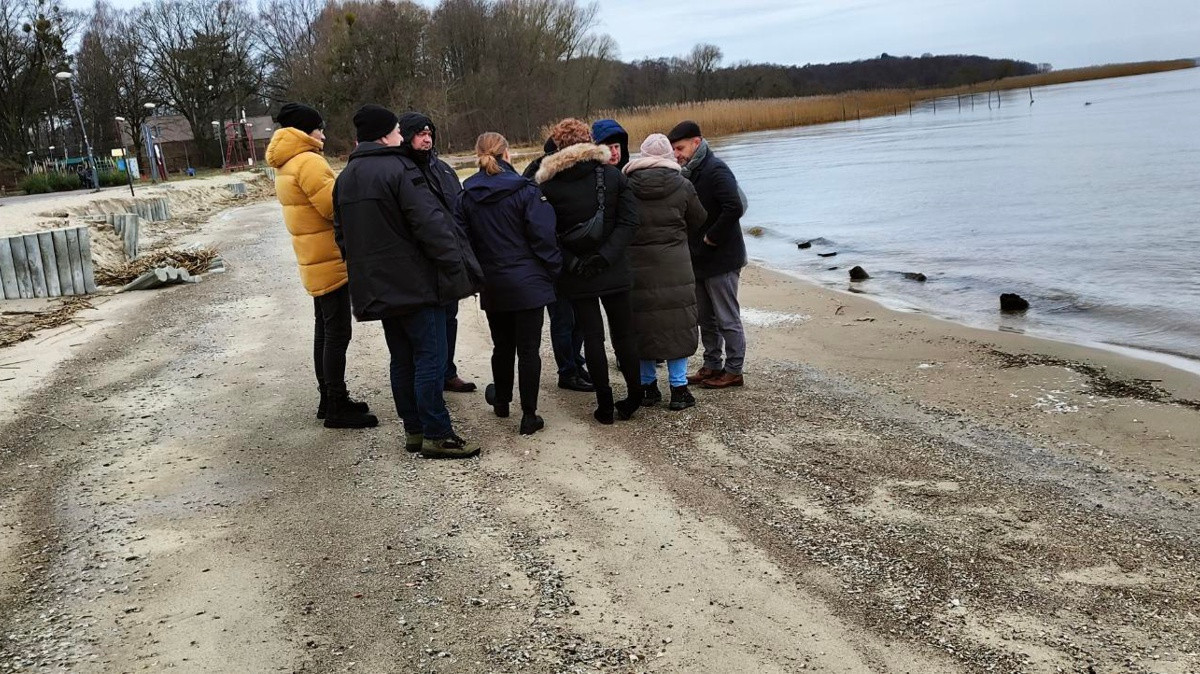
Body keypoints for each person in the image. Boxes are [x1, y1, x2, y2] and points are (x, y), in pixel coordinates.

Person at [333, 104, 482, 459]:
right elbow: (430, 224)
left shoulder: (345, 177)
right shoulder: (400, 169)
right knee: (430, 358)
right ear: (386, 135)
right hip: (416, 284)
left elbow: (342, 235)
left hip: (379, 287)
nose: (402, 136)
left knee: (401, 359)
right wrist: (454, 267)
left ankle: (414, 430)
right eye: (398, 131)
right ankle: (436, 432)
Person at [266, 102, 377, 429]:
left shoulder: (286, 162)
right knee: (337, 332)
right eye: (319, 128)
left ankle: (328, 398)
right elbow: (334, 206)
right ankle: (336, 404)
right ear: (305, 131)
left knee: (324, 330)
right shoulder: (308, 161)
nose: (323, 134)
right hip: (329, 258)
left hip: (313, 258)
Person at [535, 118, 642, 424]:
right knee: (624, 334)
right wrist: (606, 257)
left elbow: (547, 234)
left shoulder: (548, 186)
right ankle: (634, 396)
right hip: (614, 268)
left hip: (577, 273)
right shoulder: (612, 175)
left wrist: (573, 262)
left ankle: (605, 404)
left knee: (592, 336)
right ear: (588, 141)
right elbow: (630, 222)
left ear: (558, 146)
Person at [455, 132, 562, 435]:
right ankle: (529, 415)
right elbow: (543, 235)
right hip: (527, 281)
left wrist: (476, 275)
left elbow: (461, 240)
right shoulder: (526, 191)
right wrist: (552, 271)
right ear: (508, 154)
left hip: (493, 281)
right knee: (528, 349)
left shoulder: (466, 196)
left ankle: (502, 401)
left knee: (502, 346)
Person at [623, 133, 707, 410]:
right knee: (678, 323)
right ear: (669, 156)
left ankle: (648, 387)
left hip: (637, 266)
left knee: (642, 325)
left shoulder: (626, 186)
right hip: (675, 265)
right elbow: (699, 219)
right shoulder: (683, 185)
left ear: (642, 155)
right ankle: (679, 388)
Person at [397, 111, 477, 395]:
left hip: (451, 257)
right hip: (421, 261)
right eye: (420, 134)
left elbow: (460, 207)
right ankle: (428, 377)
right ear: (407, 137)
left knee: (449, 318)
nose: (427, 139)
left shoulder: (442, 168)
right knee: (426, 328)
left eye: (429, 133)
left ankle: (447, 371)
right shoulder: (402, 170)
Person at [668, 120, 747, 389]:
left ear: (696, 143)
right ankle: (712, 364)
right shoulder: (687, 172)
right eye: (673, 150)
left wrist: (711, 237)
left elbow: (734, 207)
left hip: (722, 257)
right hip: (698, 257)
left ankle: (734, 369)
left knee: (727, 317)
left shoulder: (715, 169)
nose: (676, 154)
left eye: (680, 148)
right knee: (705, 318)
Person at [525, 137, 593, 393]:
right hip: (552, 261)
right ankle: (568, 370)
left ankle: (576, 362)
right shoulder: (539, 178)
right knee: (563, 319)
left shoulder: (555, 175)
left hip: (570, 257)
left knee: (578, 319)